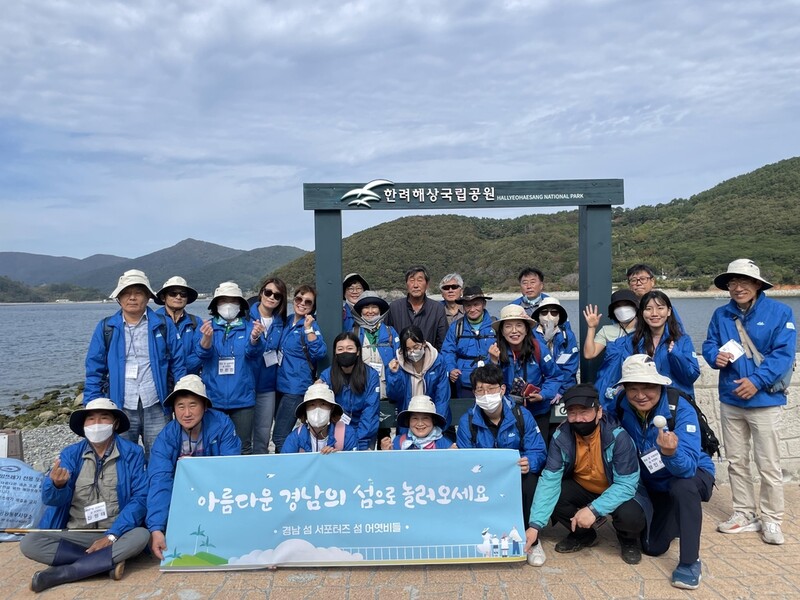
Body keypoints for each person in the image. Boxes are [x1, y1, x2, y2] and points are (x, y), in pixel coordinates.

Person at [703, 259, 797, 545]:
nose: (738, 287)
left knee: (768, 463)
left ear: (757, 284)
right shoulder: (721, 314)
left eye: (744, 281)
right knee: (736, 461)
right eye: (732, 282)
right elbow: (709, 344)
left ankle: (771, 519)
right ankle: (744, 512)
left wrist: (756, 381)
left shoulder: (780, 312)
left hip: (765, 399)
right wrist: (713, 357)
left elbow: (784, 355)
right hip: (731, 399)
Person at [20, 399, 149, 593]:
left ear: (114, 424)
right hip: (76, 533)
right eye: (91, 419)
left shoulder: (133, 453)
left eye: (104, 417)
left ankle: (65, 572)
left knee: (142, 535)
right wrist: (56, 485)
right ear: (84, 425)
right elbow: (50, 499)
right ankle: (105, 564)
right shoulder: (71, 454)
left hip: (115, 532)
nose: (97, 423)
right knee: (29, 542)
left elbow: (140, 499)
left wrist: (112, 535)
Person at [614, 354, 715, 590]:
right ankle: (675, 519)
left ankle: (690, 562)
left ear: (660, 384)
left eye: (648, 387)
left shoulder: (680, 407)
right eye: (633, 388)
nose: (640, 395)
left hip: (689, 474)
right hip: (654, 482)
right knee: (652, 547)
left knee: (682, 487)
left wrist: (671, 453)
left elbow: (688, 467)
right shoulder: (621, 405)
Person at [524, 384, 647, 568]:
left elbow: (626, 484)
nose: (578, 419)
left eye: (584, 411)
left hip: (615, 488)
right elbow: (550, 479)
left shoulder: (618, 437)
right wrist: (535, 525)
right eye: (572, 413)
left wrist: (593, 509)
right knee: (556, 495)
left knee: (631, 515)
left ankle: (628, 540)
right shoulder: (561, 437)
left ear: (599, 412)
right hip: (583, 486)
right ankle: (584, 535)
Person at [84, 269, 186, 461]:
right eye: (126, 293)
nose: (132, 298)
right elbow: (94, 370)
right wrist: (92, 406)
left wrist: (180, 400)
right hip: (120, 405)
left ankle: (157, 491)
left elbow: (178, 364)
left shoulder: (163, 325)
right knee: (122, 458)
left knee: (160, 457)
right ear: (119, 297)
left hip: (157, 403)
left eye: (138, 292)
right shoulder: (106, 327)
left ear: (148, 297)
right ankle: (130, 492)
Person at [146, 375, 241, 560]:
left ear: (205, 406)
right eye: (180, 406)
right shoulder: (167, 436)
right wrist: (156, 528)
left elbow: (231, 469)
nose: (186, 413)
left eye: (193, 405)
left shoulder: (222, 425)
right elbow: (160, 479)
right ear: (173, 409)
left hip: (217, 495)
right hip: (182, 496)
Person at [456, 365, 546, 530]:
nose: (486, 395)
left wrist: (529, 462)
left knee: (531, 481)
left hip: (515, 474)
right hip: (482, 478)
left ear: (502, 389)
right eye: (480, 390)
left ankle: (530, 534)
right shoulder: (467, 421)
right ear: (474, 393)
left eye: (491, 389)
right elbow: (464, 458)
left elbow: (537, 450)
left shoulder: (521, 415)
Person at [195, 281, 266, 455]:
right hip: (213, 399)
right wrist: (206, 340)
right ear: (216, 304)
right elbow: (201, 355)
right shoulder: (206, 327)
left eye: (233, 301)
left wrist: (255, 339)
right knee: (211, 444)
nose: (228, 305)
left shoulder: (250, 327)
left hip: (242, 399)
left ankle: (242, 481)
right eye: (223, 300)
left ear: (240, 305)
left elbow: (254, 354)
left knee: (243, 446)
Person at [595, 290, 699, 404]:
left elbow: (690, 376)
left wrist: (676, 354)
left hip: (674, 404)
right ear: (641, 313)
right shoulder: (630, 342)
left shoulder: (682, 340)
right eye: (648, 309)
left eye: (660, 308)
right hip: (641, 405)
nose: (654, 313)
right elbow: (613, 376)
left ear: (669, 311)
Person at [488, 304, 566, 442]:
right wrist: (493, 363)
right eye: (508, 326)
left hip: (537, 410)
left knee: (538, 448)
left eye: (519, 325)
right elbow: (489, 384)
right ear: (501, 330)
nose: (514, 331)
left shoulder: (538, 349)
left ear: (526, 329)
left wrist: (542, 395)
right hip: (507, 411)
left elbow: (554, 376)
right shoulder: (495, 350)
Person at [273, 284, 327, 453]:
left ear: (313, 307)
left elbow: (320, 352)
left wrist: (309, 329)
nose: (302, 303)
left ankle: (285, 470)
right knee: (287, 432)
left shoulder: (310, 325)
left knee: (280, 435)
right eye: (299, 299)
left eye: (308, 302)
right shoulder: (288, 321)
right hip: (280, 385)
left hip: (295, 388)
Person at [318, 332, 381, 450]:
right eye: (340, 349)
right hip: (336, 433)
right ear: (335, 353)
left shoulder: (371, 375)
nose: (345, 352)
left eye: (349, 348)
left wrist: (359, 443)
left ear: (358, 351)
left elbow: (370, 411)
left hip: (364, 434)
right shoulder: (327, 375)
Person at [386, 325, 452, 436]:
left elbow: (442, 397)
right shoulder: (397, 364)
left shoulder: (438, 362)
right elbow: (394, 395)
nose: (412, 352)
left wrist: (437, 425)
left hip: (432, 420)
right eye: (408, 349)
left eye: (416, 347)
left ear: (424, 343)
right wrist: (394, 375)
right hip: (408, 422)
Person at [249, 277, 287, 454]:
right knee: (243, 434)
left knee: (263, 434)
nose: (272, 297)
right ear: (261, 292)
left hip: (268, 386)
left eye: (277, 295)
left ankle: (260, 472)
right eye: (268, 292)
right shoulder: (245, 317)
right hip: (246, 384)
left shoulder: (281, 322)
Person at [441, 286, 496, 398]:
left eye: (476, 304)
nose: (472, 309)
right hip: (464, 383)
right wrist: (451, 368)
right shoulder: (456, 327)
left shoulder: (495, 326)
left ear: (484, 304)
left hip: (491, 381)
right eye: (468, 305)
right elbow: (448, 351)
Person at [281, 383, 358, 453]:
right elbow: (285, 465)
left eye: (323, 404)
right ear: (305, 410)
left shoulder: (346, 434)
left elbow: (354, 464)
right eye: (312, 405)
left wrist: (338, 458)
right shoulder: (295, 438)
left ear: (332, 409)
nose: (317, 410)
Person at [385, 265, 448, 350]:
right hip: (400, 360)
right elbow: (386, 338)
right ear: (406, 284)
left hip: (428, 361)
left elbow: (443, 342)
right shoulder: (394, 307)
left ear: (427, 284)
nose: (415, 285)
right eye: (411, 280)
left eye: (420, 280)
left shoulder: (437, 309)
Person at [154, 276, 203, 376]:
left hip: (187, 380)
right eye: (173, 293)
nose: (178, 297)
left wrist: (180, 369)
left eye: (183, 294)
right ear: (164, 297)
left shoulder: (196, 322)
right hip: (160, 380)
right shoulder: (153, 322)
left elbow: (200, 353)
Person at [532, 298, 579, 391]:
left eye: (554, 313)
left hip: (564, 388)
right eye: (544, 312)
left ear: (559, 316)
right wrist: (544, 341)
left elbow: (570, 367)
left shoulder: (568, 336)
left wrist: (560, 391)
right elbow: (532, 366)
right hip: (538, 389)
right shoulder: (530, 335)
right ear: (538, 316)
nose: (549, 316)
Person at [380, 395, 454, 450]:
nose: (420, 424)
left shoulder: (445, 445)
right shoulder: (398, 442)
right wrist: (387, 453)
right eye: (415, 418)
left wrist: (453, 457)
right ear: (408, 421)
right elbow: (390, 467)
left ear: (433, 421)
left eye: (425, 418)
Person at [582, 289, 638, 360]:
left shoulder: (645, 329)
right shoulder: (606, 331)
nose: (622, 309)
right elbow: (589, 354)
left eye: (627, 304)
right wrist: (591, 328)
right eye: (618, 306)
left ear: (636, 307)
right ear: (613, 310)